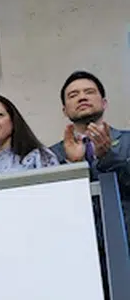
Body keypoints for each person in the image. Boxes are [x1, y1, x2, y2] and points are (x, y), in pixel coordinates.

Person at [50, 71, 130, 232]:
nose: (82, 98)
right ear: (64, 110)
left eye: (89, 92)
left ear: (104, 103)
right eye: (73, 95)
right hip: (78, 235)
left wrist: (108, 157)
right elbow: (53, 203)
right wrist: (74, 165)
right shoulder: (52, 154)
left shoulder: (127, 141)